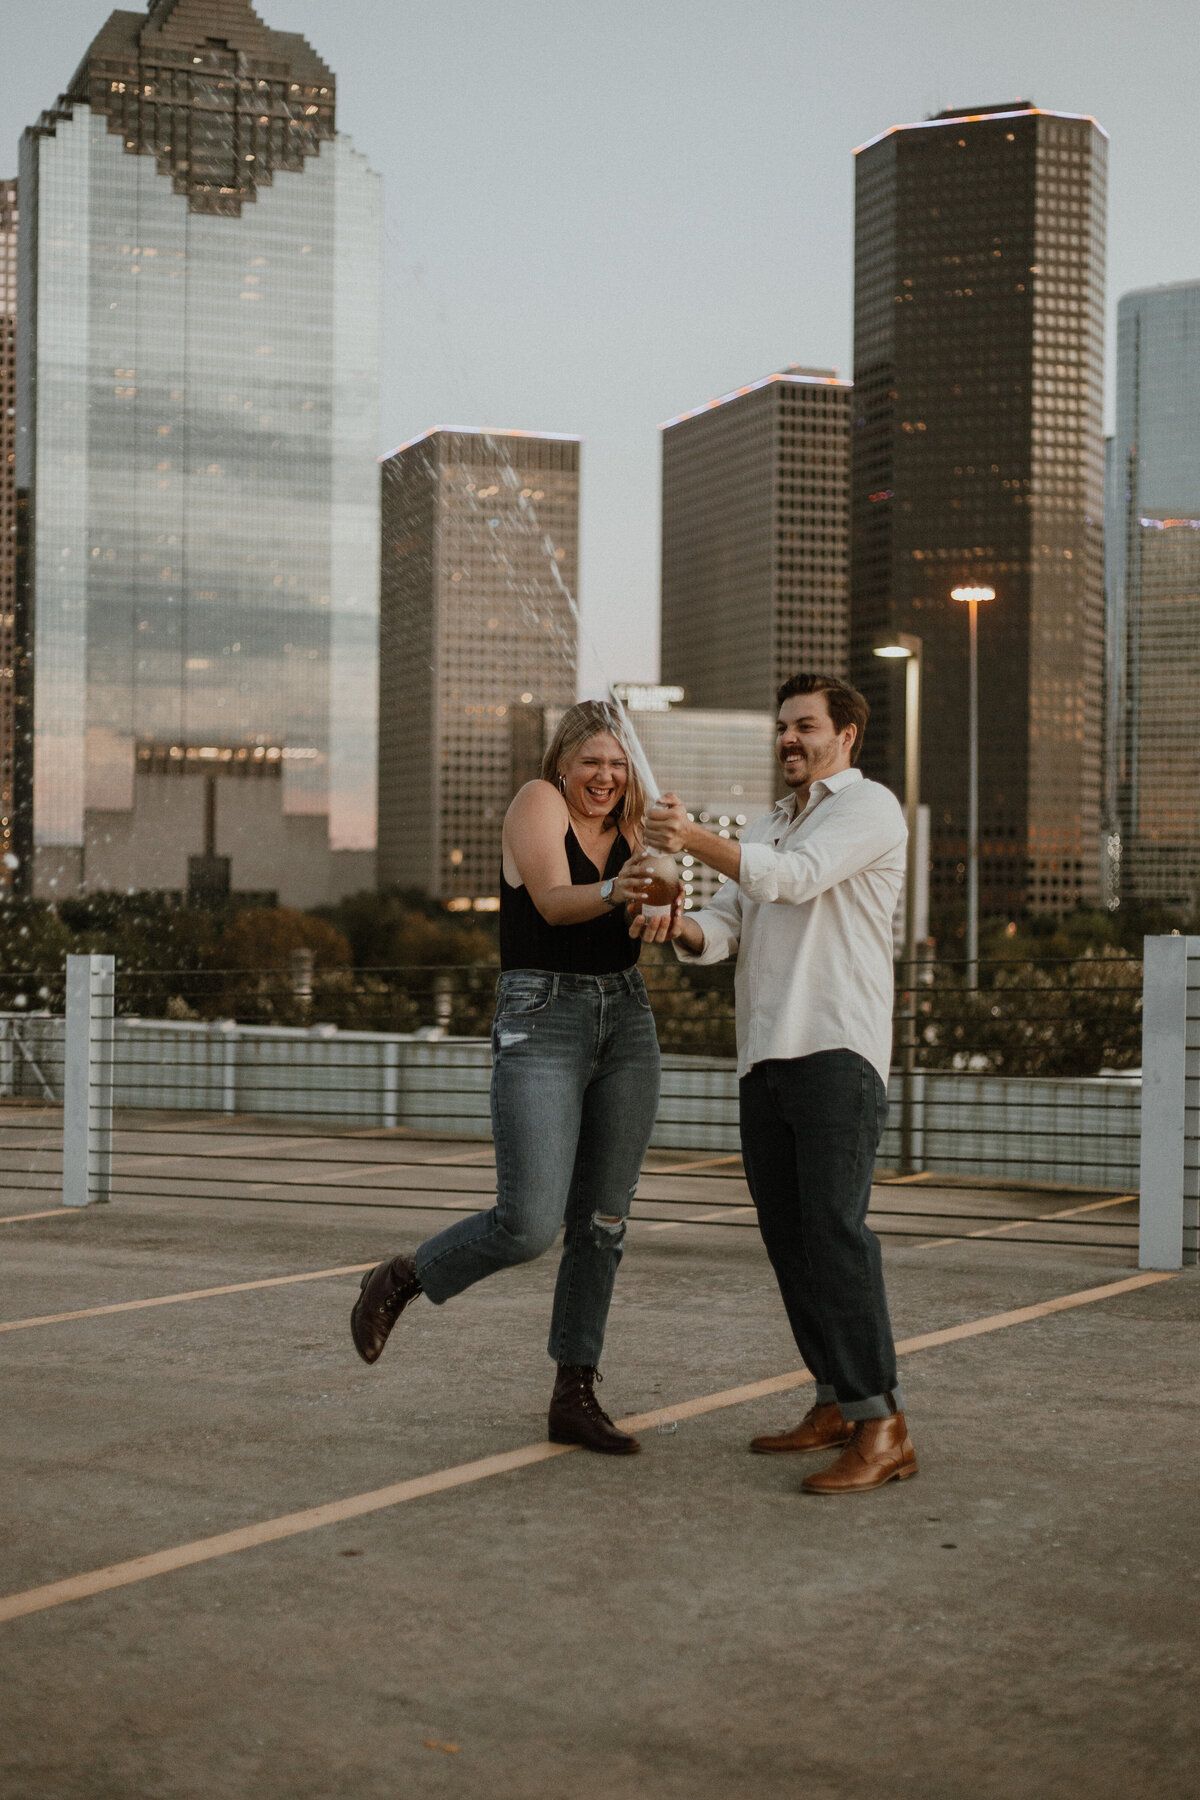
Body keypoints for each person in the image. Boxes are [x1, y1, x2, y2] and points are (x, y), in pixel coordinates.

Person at [351, 700, 661, 1455]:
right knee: (528, 1224)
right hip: (543, 1016)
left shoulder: (633, 824)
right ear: (563, 761)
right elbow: (555, 904)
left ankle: (574, 1392)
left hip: (627, 1022)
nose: (606, 776)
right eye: (593, 761)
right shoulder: (538, 801)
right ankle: (403, 1276)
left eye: (618, 765)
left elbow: (663, 893)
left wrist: (667, 863)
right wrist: (627, 889)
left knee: (605, 1224)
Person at [636, 673, 917, 1494]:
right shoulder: (768, 824)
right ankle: (833, 1400)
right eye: (784, 728)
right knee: (789, 1239)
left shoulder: (868, 809)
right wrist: (676, 923)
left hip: (836, 1049)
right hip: (764, 1056)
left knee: (834, 1234)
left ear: (845, 736)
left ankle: (883, 1424)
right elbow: (725, 925)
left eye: (806, 727)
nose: (790, 740)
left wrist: (689, 838)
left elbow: (789, 880)